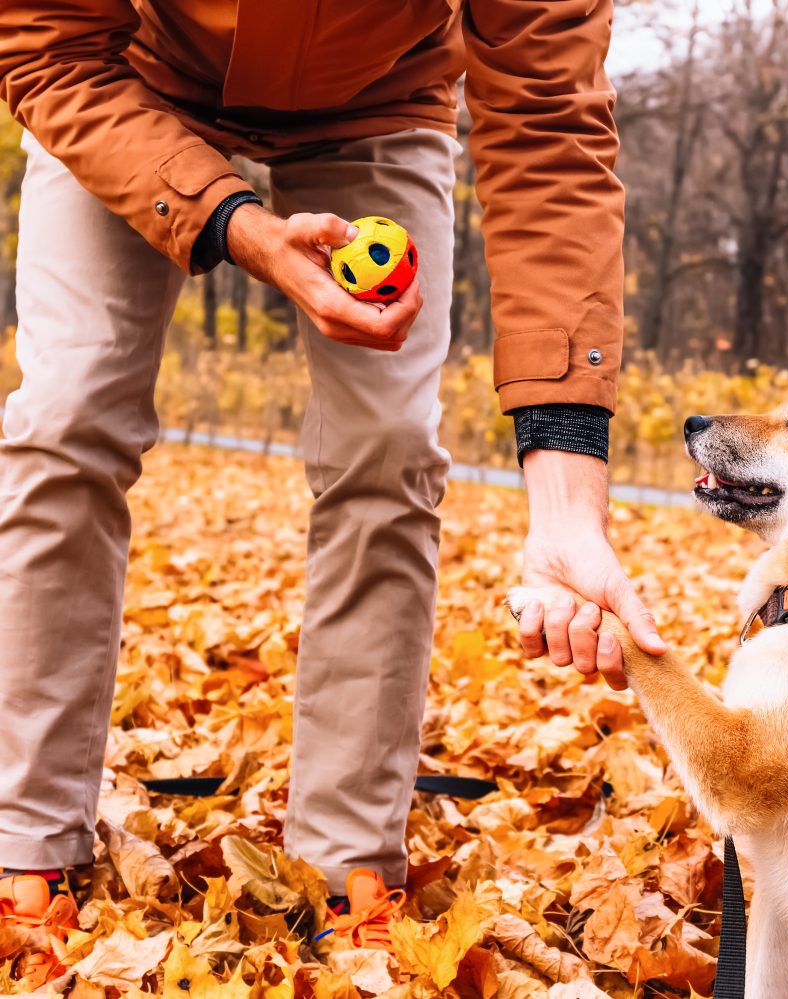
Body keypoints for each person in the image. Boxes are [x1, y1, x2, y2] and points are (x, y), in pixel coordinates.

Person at [0, 1, 665, 980]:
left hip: (378, 99)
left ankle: (345, 855)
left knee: (388, 445)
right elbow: (47, 46)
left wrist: (567, 501)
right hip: (124, 82)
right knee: (65, 413)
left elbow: (549, 120)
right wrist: (238, 226)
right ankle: (25, 841)